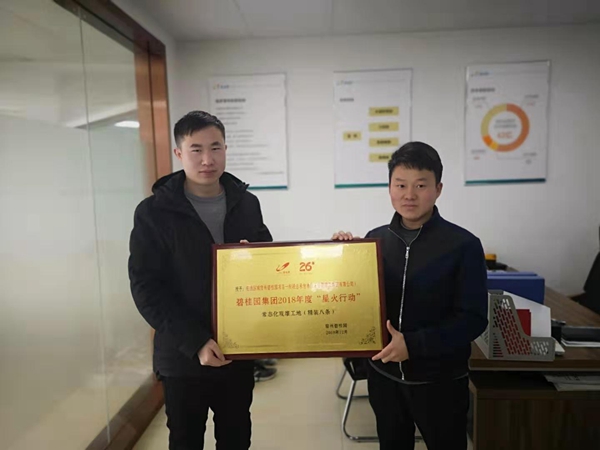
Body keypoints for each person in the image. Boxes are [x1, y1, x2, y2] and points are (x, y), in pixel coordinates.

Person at [128, 111, 272, 449]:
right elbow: (146, 288)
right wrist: (195, 342)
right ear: (178, 153)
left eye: (215, 148)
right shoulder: (153, 212)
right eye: (196, 149)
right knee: (185, 439)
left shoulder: (246, 203)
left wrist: (255, 258)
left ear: (226, 149)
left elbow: (269, 263)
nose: (208, 159)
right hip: (182, 355)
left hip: (237, 349)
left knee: (237, 437)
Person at [333, 142, 488, 450]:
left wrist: (414, 345)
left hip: (440, 381)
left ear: (438, 189)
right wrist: (339, 256)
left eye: (421, 185)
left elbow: (473, 319)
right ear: (389, 187)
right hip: (384, 377)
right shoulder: (374, 241)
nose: (409, 195)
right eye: (400, 185)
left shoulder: (464, 245)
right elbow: (356, 301)